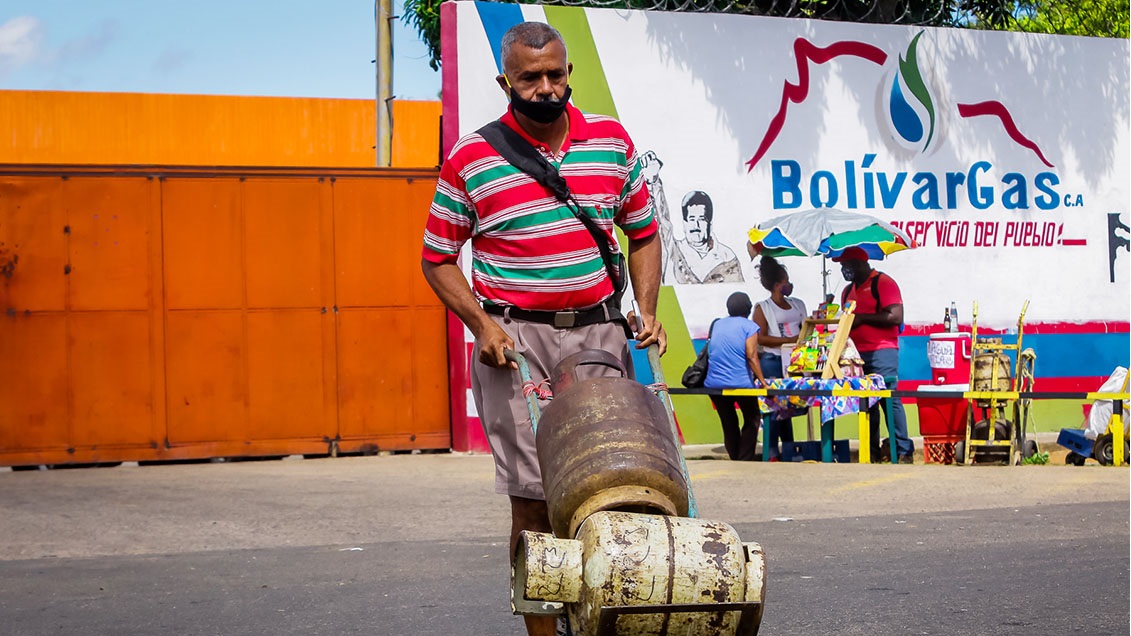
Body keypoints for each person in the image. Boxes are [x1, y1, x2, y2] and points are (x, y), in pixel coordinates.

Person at [419, 21, 665, 636]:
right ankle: (543, 630)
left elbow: (644, 231)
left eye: (556, 74)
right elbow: (436, 257)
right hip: (515, 344)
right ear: (506, 80)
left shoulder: (611, 142)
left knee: (613, 485)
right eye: (531, 78)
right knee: (533, 498)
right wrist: (481, 324)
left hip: (600, 335)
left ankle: (609, 620)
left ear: (569, 73)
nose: (546, 87)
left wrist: (648, 308)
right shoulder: (472, 157)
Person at [833, 247, 913, 463]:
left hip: (882, 351)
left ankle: (903, 450)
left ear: (860, 264)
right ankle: (872, 452)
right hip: (856, 356)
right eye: (842, 266)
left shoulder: (883, 283)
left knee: (889, 400)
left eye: (846, 266)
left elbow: (895, 316)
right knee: (866, 404)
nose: (844, 270)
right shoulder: (847, 291)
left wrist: (863, 318)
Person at [751, 255, 806, 460]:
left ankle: (790, 450)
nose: (789, 285)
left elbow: (806, 328)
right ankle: (772, 450)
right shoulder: (762, 308)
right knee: (773, 408)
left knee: (789, 408)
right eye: (785, 282)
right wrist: (789, 340)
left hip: (795, 363)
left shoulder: (798, 304)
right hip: (772, 361)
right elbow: (761, 338)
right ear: (776, 285)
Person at [703, 292, 769, 461]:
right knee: (752, 418)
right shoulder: (750, 326)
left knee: (729, 421)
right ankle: (744, 458)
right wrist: (762, 381)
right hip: (741, 383)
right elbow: (751, 355)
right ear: (747, 309)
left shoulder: (717, 324)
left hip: (714, 383)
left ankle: (734, 456)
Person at [670, 190, 744, 284]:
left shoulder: (727, 258)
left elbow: (737, 293)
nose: (696, 225)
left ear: (710, 224)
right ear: (684, 224)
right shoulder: (674, 251)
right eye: (692, 219)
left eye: (701, 219)